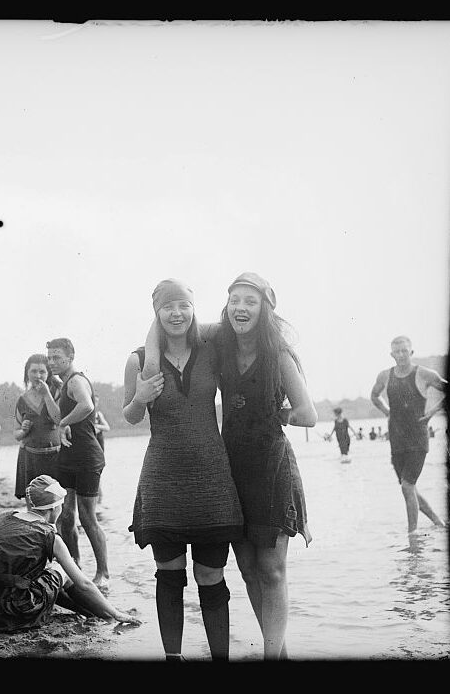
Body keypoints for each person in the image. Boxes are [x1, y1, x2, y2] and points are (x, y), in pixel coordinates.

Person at [131, 280, 244, 661]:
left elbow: (231, 320)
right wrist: (140, 397)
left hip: (212, 481)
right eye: (167, 307)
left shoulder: (210, 348)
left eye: (183, 305)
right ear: (156, 313)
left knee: (211, 577)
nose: (176, 313)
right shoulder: (136, 360)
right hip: (163, 482)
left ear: (193, 308)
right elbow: (129, 416)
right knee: (170, 576)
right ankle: (173, 660)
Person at [217, 272, 317, 660]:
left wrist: (275, 413)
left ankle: (271, 657)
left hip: (271, 467)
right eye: (235, 300)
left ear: (265, 309)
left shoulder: (279, 354)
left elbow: (308, 414)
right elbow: (174, 323)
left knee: (272, 570)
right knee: (246, 569)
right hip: (231, 469)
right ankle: (279, 652)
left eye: (251, 301)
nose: (241, 308)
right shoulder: (221, 345)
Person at [0, 475, 140, 632]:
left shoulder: (3, 518)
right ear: (54, 508)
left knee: (40, 572)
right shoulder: (49, 536)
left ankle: (94, 612)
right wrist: (116, 612)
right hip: (9, 614)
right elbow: (84, 584)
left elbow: (12, 552)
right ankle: (99, 613)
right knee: (61, 571)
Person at [45, 338, 109, 590]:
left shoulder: (77, 381)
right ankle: (75, 566)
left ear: (71, 357)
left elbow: (87, 405)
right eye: (49, 357)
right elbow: (60, 415)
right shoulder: (64, 384)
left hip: (87, 457)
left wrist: (63, 424)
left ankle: (103, 573)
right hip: (68, 458)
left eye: (57, 357)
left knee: (87, 517)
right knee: (66, 517)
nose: (52, 362)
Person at [370, 335, 447, 534]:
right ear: (391, 354)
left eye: (405, 351)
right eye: (397, 352)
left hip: (418, 438)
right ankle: (439, 523)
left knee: (407, 486)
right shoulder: (385, 376)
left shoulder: (424, 374)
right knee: (409, 488)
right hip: (396, 439)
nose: (402, 355)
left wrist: (431, 413)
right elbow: (374, 395)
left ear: (411, 352)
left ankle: (413, 534)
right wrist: (388, 412)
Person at [13, 354, 62, 500]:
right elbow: (16, 434)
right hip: (30, 458)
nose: (38, 375)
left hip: (55, 456)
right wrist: (23, 430)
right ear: (27, 373)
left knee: (57, 502)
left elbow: (59, 419)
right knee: (33, 503)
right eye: (33, 371)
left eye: (42, 371)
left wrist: (46, 394)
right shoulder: (22, 399)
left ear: (48, 373)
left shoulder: (57, 392)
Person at [93, 400, 111, 506]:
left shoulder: (98, 414)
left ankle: (100, 503)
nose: (95, 404)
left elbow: (107, 427)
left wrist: (97, 427)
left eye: (96, 402)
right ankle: (97, 502)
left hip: (99, 450)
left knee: (98, 476)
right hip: (90, 451)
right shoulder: (85, 414)